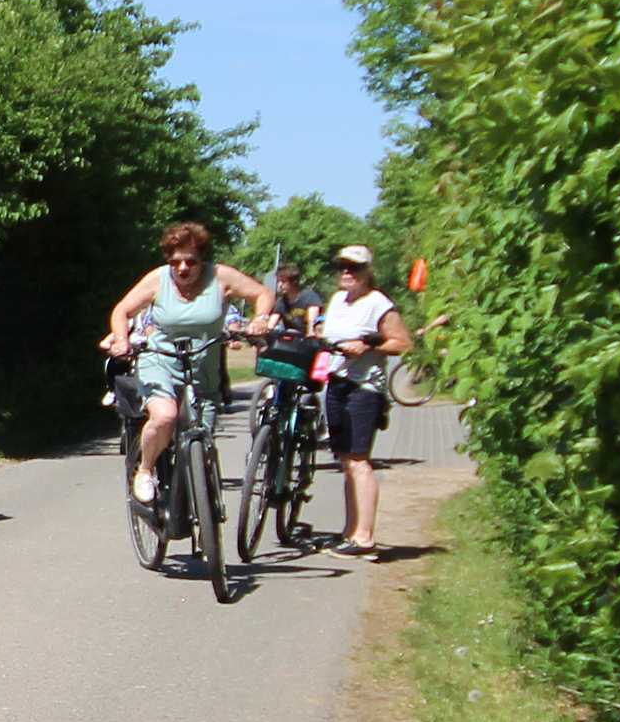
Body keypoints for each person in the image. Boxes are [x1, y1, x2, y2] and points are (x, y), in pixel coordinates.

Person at [104, 222, 275, 502]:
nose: (183, 268)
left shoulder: (220, 277)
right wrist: (122, 339)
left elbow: (262, 294)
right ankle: (146, 470)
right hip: (160, 359)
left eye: (190, 261)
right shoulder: (158, 280)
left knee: (203, 439)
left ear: (202, 259)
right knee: (165, 416)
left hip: (203, 365)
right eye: (175, 262)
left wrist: (260, 318)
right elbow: (122, 310)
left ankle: (201, 512)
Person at [316, 243, 413, 559]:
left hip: (364, 388)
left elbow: (402, 343)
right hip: (336, 382)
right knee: (346, 460)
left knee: (359, 461)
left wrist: (368, 345)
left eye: (354, 268)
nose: (346, 273)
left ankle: (365, 537)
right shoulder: (338, 300)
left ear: (368, 271)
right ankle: (350, 532)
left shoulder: (378, 303)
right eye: (342, 267)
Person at [274, 263, 322, 334]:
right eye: (278, 281)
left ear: (293, 282)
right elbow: (272, 323)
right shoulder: (282, 301)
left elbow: (312, 321)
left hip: (308, 339)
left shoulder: (309, 297)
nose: (279, 285)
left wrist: (310, 333)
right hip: (291, 339)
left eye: (283, 281)